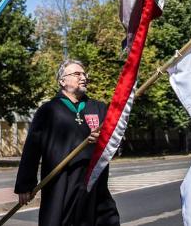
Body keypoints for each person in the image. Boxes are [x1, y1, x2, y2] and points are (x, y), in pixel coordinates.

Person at [14, 60, 119, 226]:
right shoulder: (48, 110)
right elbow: (32, 148)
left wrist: (103, 139)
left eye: (84, 74)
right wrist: (25, 185)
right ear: (62, 81)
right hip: (61, 186)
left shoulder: (98, 108)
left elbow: (114, 139)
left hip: (94, 186)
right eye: (77, 74)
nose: (83, 77)